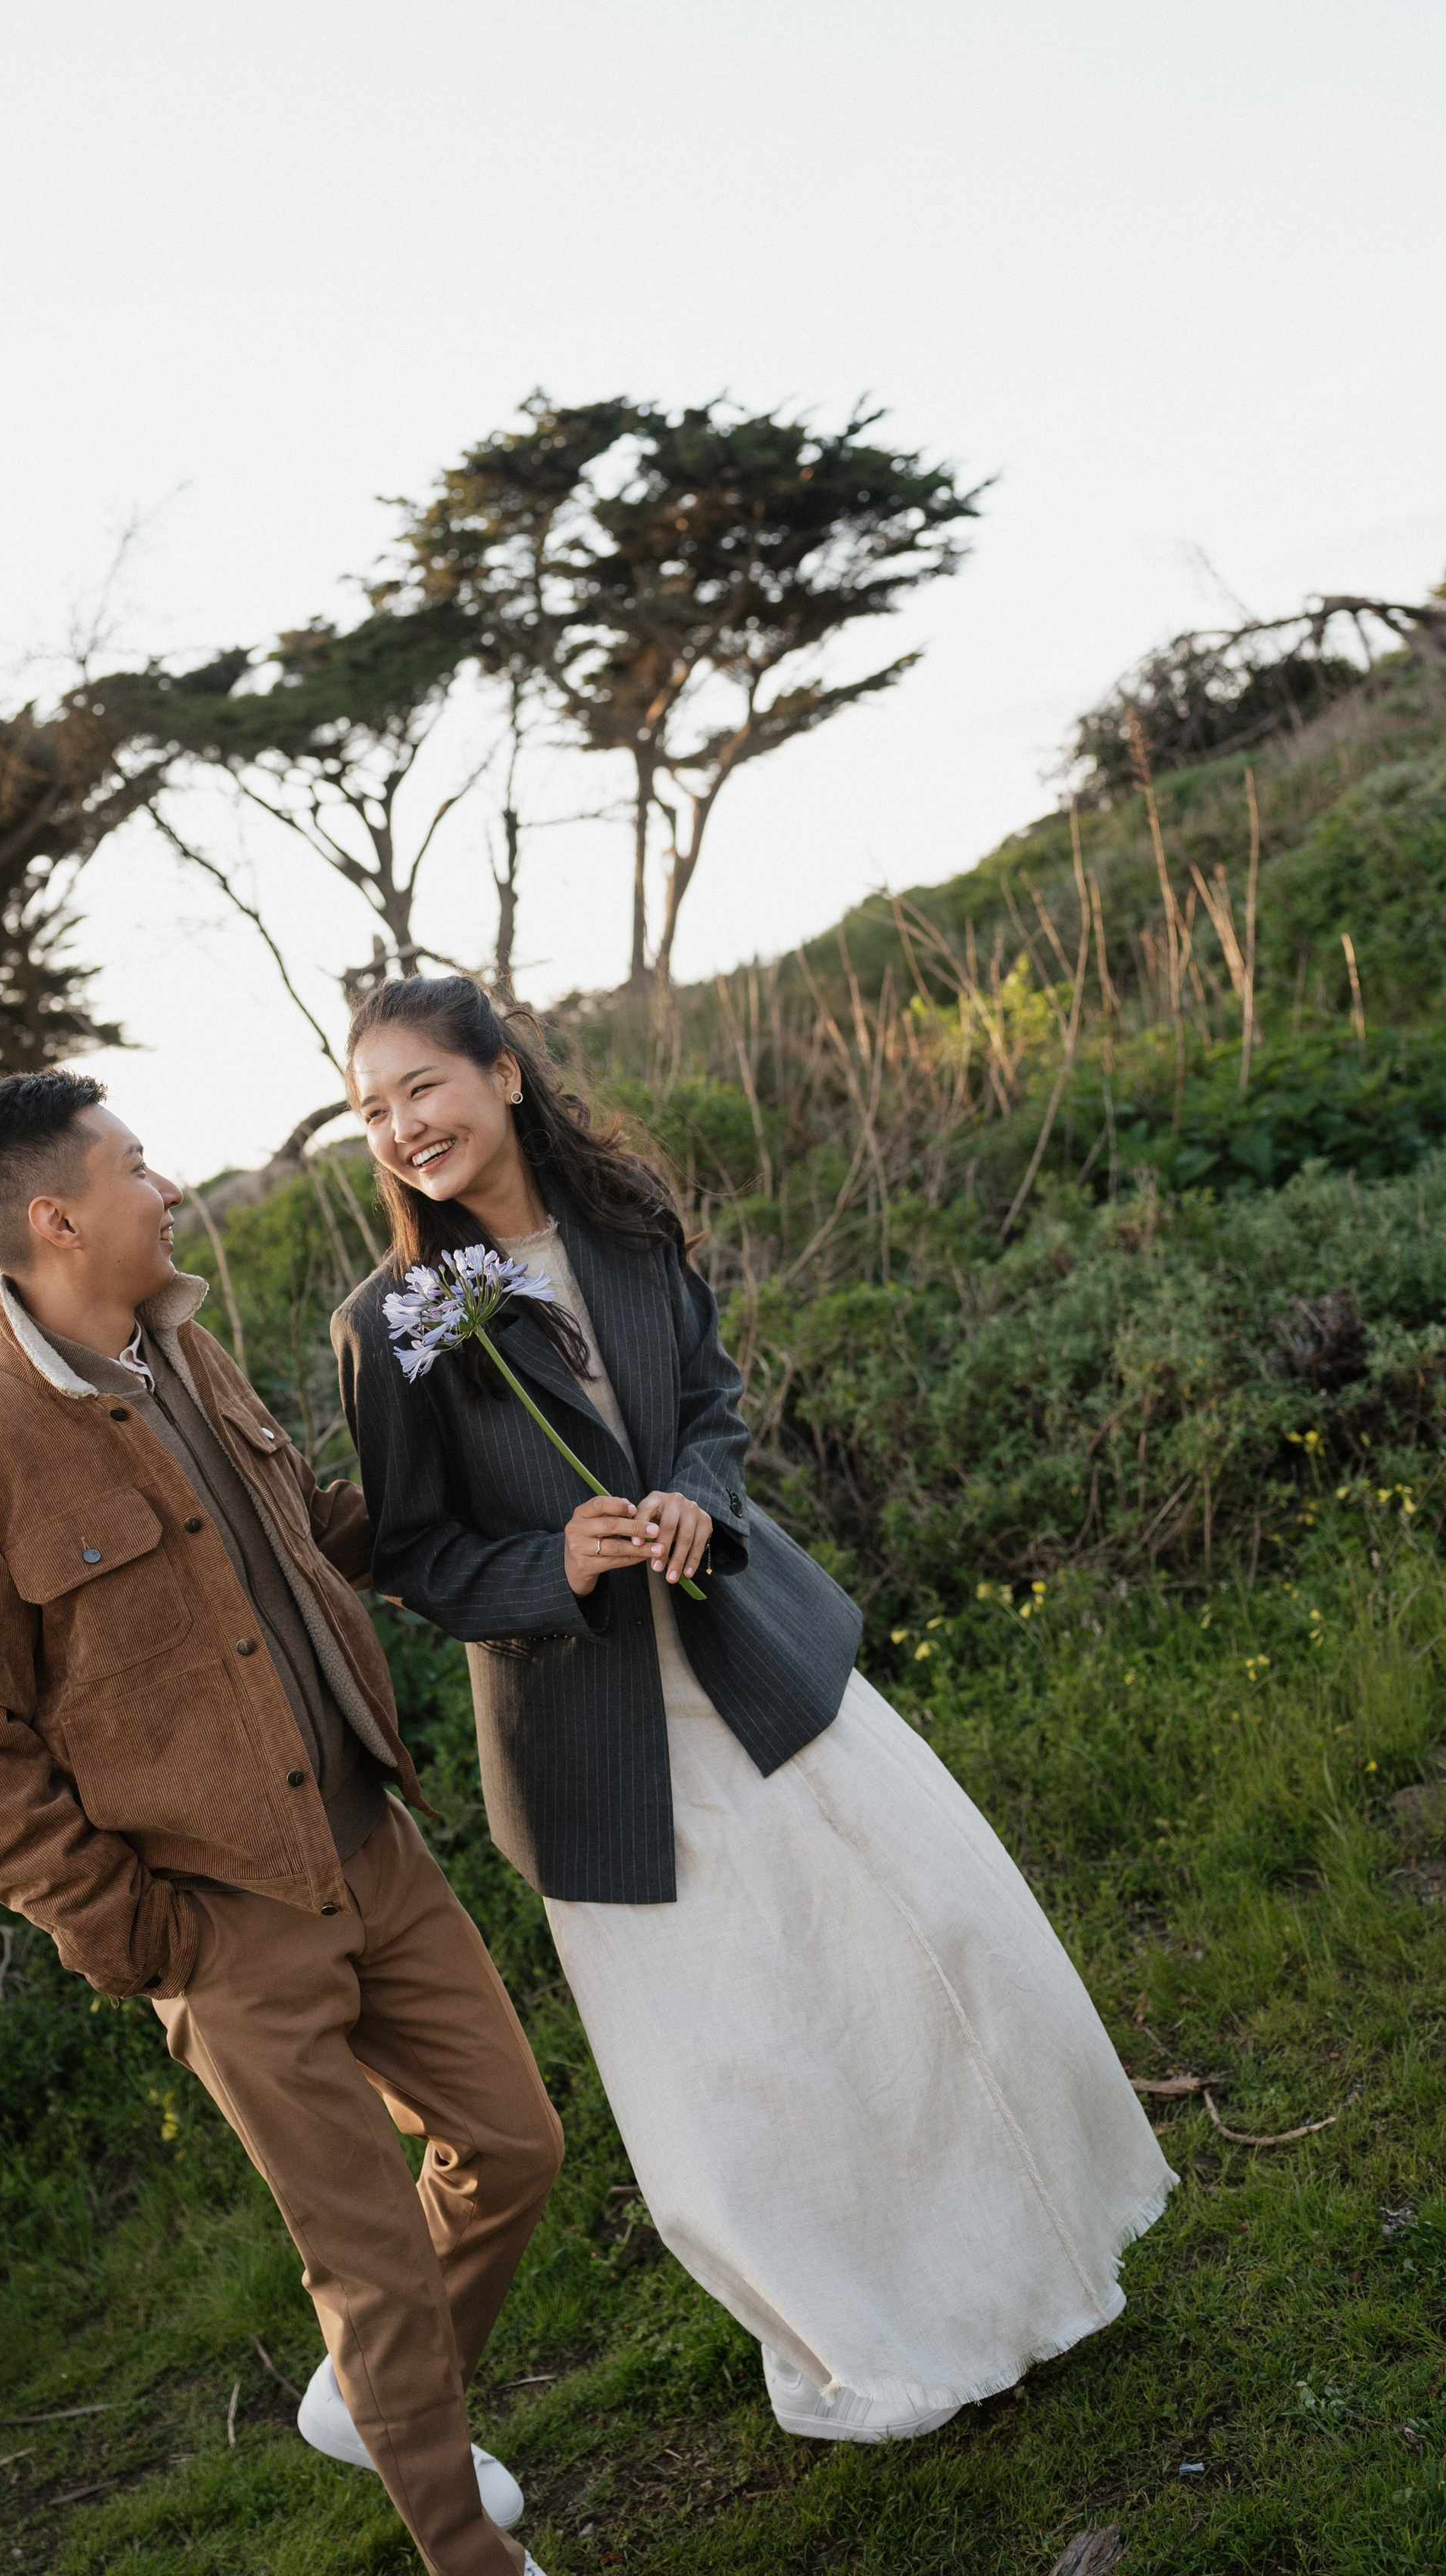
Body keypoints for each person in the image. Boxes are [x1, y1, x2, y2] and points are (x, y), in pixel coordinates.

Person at [333, 977, 1176, 2445]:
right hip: (597, 1739)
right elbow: (413, 1556)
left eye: (422, 1088)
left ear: (504, 1075)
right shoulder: (396, 1324)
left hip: (758, 1662)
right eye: (372, 1111)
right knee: (744, 2069)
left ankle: (1025, 2271)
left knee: (928, 1971)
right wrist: (555, 1559)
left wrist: (693, 1505)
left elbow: (714, 1407)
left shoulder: (630, 1227)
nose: (403, 1128)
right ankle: (873, 2348)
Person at [0, 1069, 561, 2576]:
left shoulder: (188, 1356)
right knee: (374, 2262)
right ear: (55, 1218)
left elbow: (313, 1531)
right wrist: (142, 1936)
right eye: (137, 1168)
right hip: (223, 1928)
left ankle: (378, 2408)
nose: (167, 1189)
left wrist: (484, 1481)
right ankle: (463, 2547)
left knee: (511, 2150)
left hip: (371, 1856)